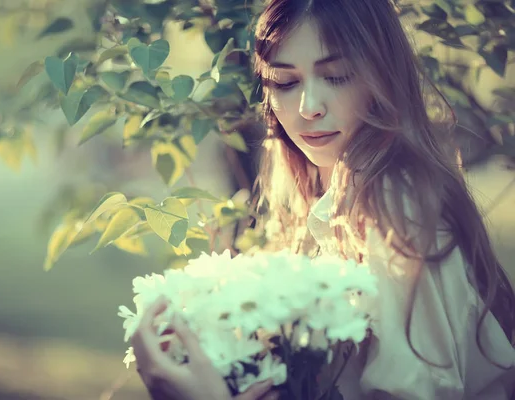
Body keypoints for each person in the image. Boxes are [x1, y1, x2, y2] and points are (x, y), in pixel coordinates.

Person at [129, 0, 515, 398]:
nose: (308, 108)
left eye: (337, 76)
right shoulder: (314, 200)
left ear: (380, 79)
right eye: (285, 82)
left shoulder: (397, 203)